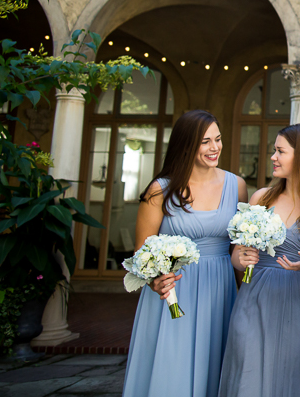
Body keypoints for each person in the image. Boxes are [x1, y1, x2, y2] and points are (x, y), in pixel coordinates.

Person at [123, 110, 246, 397]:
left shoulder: (237, 186)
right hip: (175, 291)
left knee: (214, 366)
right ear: (186, 145)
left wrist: (246, 296)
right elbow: (142, 252)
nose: (215, 147)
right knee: (172, 369)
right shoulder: (159, 191)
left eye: (218, 139)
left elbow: (238, 249)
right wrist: (155, 282)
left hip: (220, 291)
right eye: (205, 141)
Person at [219, 124, 300, 397]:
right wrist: (242, 257)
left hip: (297, 308)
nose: (273, 157)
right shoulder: (261, 198)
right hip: (253, 302)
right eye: (274, 151)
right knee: (247, 379)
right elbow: (236, 257)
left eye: (280, 151)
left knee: (288, 381)